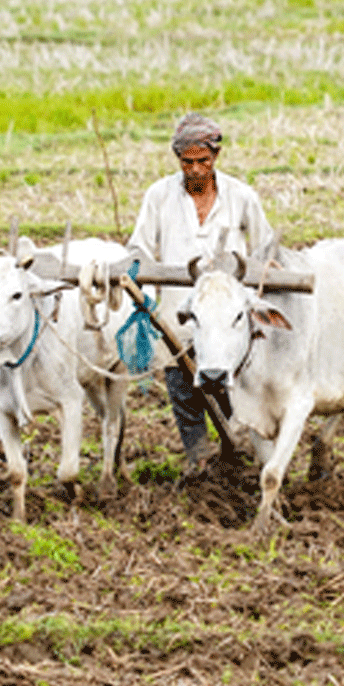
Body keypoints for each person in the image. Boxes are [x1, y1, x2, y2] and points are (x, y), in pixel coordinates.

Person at [126, 113, 275, 469]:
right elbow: (140, 248)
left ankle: (237, 452)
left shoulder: (241, 196)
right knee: (183, 392)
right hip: (180, 316)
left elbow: (265, 248)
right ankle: (197, 459)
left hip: (228, 322)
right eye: (187, 162)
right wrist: (134, 270)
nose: (194, 169)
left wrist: (267, 271)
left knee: (231, 393)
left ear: (216, 158)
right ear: (178, 160)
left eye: (202, 161)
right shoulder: (159, 196)